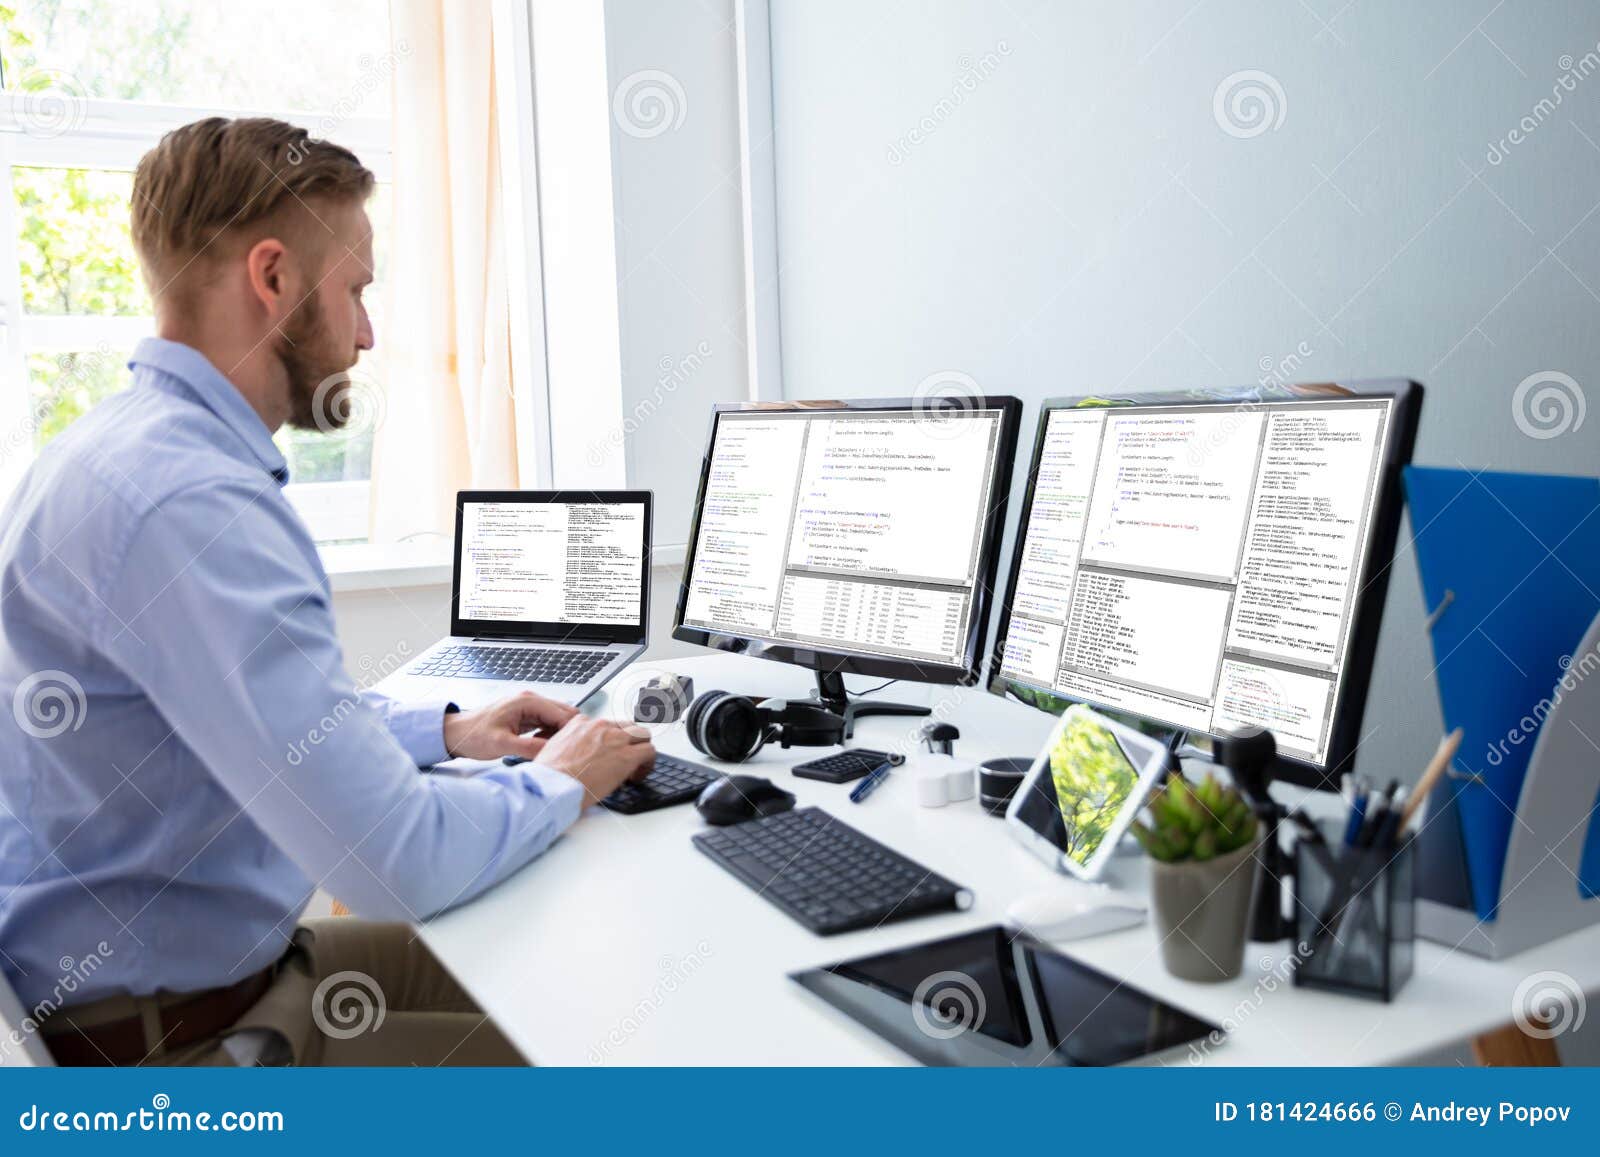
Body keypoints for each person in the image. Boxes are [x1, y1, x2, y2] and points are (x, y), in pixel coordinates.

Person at [0, 117, 656, 1066]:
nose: (365, 333)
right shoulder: (196, 509)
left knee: (557, 974)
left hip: (171, 989)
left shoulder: (105, 454)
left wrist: (449, 732)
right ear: (272, 278)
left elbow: (240, 733)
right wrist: (561, 781)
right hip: (177, 1047)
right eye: (354, 291)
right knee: (601, 1052)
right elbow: (399, 861)